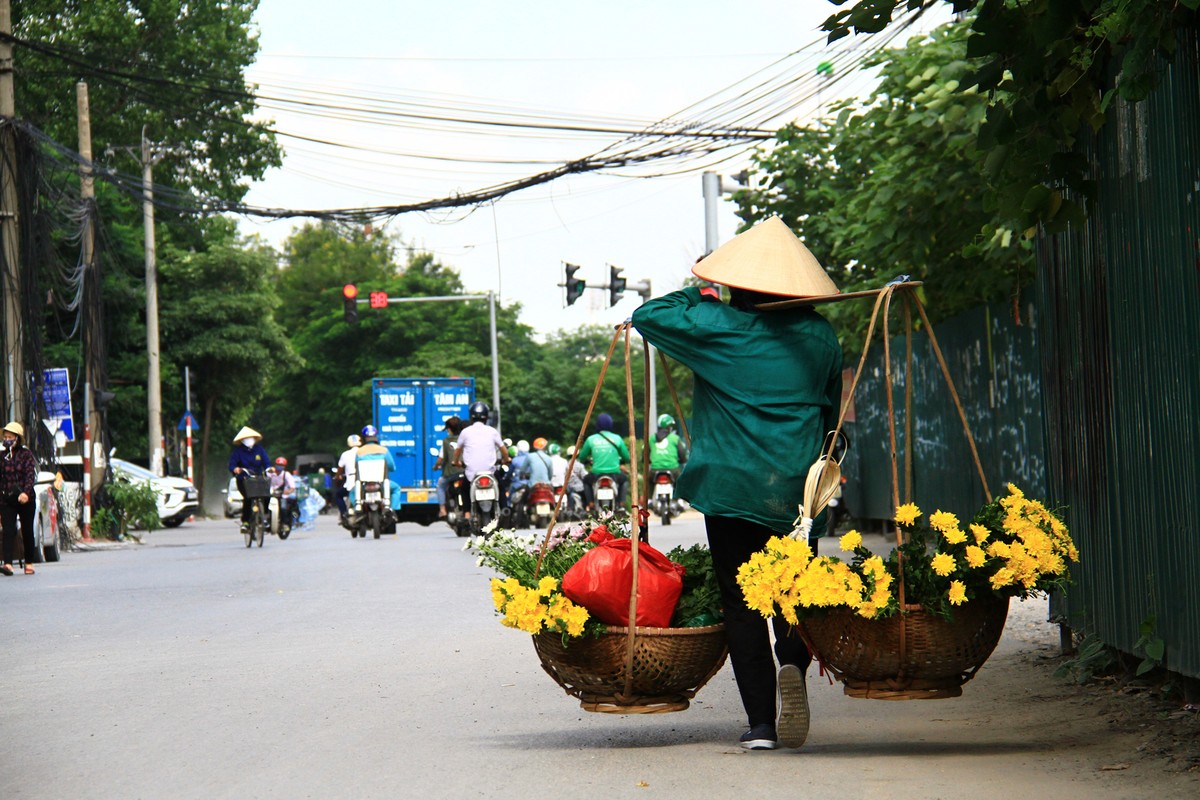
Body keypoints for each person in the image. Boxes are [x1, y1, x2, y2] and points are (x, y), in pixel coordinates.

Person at [631, 215, 843, 751]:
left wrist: (701, 291)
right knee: (793, 589)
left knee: (741, 599)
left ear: (738, 287)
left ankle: (761, 726)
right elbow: (831, 412)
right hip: (797, 486)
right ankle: (792, 664)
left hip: (730, 485)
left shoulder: (717, 327)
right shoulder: (820, 336)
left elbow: (648, 315)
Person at [454, 402, 510, 517]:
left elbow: (457, 450)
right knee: (501, 486)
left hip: (471, 473)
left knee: (464, 489)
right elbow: (504, 450)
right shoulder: (492, 431)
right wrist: (506, 459)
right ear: (486, 417)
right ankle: (504, 508)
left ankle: (467, 513)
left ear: (471, 416)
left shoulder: (465, 432)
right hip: (490, 472)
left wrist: (455, 462)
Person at [1, 422, 39, 576]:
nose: (7, 439)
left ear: (17, 439)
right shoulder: (2, 457)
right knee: (8, 531)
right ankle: (8, 564)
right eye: (6, 437)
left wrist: (26, 493)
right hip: (7, 500)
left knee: (27, 531)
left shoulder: (26, 455)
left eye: (10, 437)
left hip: (25, 499)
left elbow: (30, 476)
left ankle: (29, 562)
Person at [577, 412, 629, 510]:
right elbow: (627, 457)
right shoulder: (617, 438)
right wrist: (622, 461)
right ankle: (621, 503)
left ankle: (591, 503)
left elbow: (582, 457)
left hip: (596, 474)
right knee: (624, 480)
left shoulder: (591, 439)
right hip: (614, 474)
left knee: (586, 480)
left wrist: (586, 461)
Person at [228, 426, 271, 534]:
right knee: (248, 498)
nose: (249, 440)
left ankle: (265, 517)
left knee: (266, 495)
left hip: (258, 478)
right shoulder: (238, 452)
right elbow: (232, 465)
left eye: (251, 438)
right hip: (244, 480)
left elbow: (266, 462)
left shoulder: (259, 450)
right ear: (242, 440)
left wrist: (269, 468)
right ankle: (246, 522)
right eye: (246, 438)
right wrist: (235, 469)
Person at [354, 425, 402, 513]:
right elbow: (391, 466)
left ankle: (354, 512)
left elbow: (356, 467)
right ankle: (392, 510)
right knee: (396, 489)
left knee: (353, 492)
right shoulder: (384, 450)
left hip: (365, 484)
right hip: (382, 484)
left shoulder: (359, 452)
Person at [434, 416, 464, 518]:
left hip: (451, 473)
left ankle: (442, 510)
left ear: (449, 429)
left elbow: (441, 458)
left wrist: (436, 466)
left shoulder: (446, 441)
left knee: (440, 485)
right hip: (465, 471)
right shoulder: (465, 438)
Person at [649, 413, 688, 481]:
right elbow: (682, 452)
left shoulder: (651, 439)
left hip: (655, 470)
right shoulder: (675, 438)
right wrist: (683, 460)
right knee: (681, 484)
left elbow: (645, 453)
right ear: (669, 427)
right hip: (673, 469)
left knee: (649, 483)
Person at [335, 434, 360, 524]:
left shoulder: (345, 454)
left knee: (338, 495)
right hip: (365, 481)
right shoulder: (364, 452)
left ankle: (344, 513)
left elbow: (340, 469)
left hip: (351, 483)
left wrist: (337, 477)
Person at [268, 456, 300, 529]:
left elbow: (292, 487)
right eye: (278, 465)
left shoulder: (286, 474)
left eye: (282, 465)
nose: (280, 467)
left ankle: (284, 523)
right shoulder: (270, 473)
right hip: (271, 495)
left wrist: (287, 492)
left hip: (282, 496)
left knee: (283, 508)